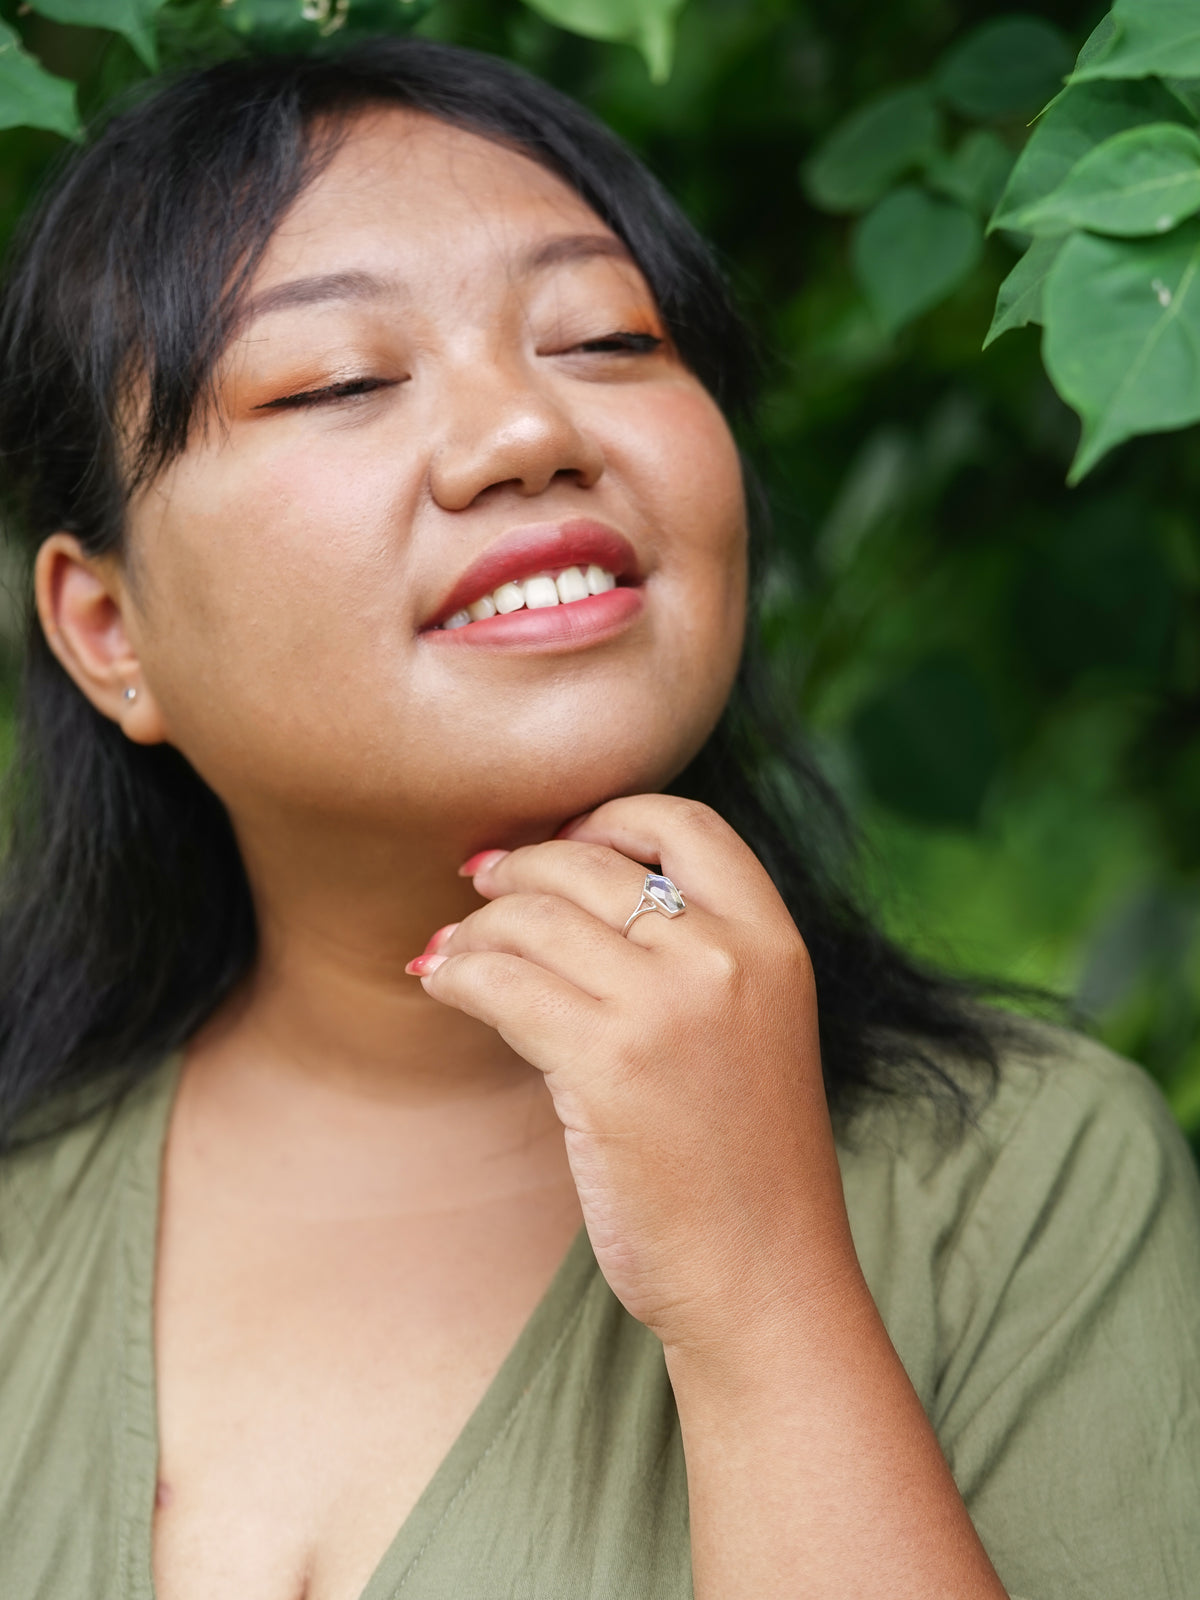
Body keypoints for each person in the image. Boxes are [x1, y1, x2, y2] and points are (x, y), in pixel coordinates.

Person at [0, 37, 1196, 1600]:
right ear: (108, 633)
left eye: (607, 339)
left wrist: (761, 1290)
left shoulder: (1033, 1180)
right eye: (339, 378)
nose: (529, 435)